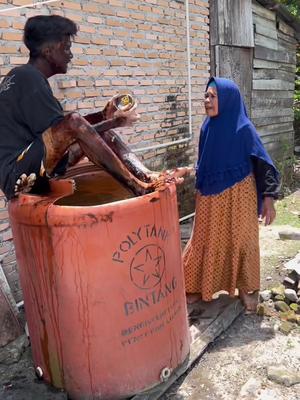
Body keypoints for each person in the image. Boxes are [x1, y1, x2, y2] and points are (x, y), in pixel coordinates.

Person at [0, 15, 189, 202]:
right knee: (75, 122)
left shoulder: (27, 77)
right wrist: (115, 122)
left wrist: (102, 116)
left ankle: (146, 175)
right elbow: (71, 129)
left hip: (30, 166)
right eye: (66, 48)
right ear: (49, 51)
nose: (70, 55)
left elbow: (68, 134)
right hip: (16, 176)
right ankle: (138, 188)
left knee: (101, 135)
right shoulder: (28, 78)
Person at [183, 77, 280, 313]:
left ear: (227, 100)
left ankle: (247, 288)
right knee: (205, 238)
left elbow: (264, 164)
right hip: (209, 195)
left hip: (239, 195)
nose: (207, 100)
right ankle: (197, 285)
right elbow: (203, 161)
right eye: (206, 95)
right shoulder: (207, 127)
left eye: (213, 96)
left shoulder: (243, 128)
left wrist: (269, 199)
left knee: (241, 239)